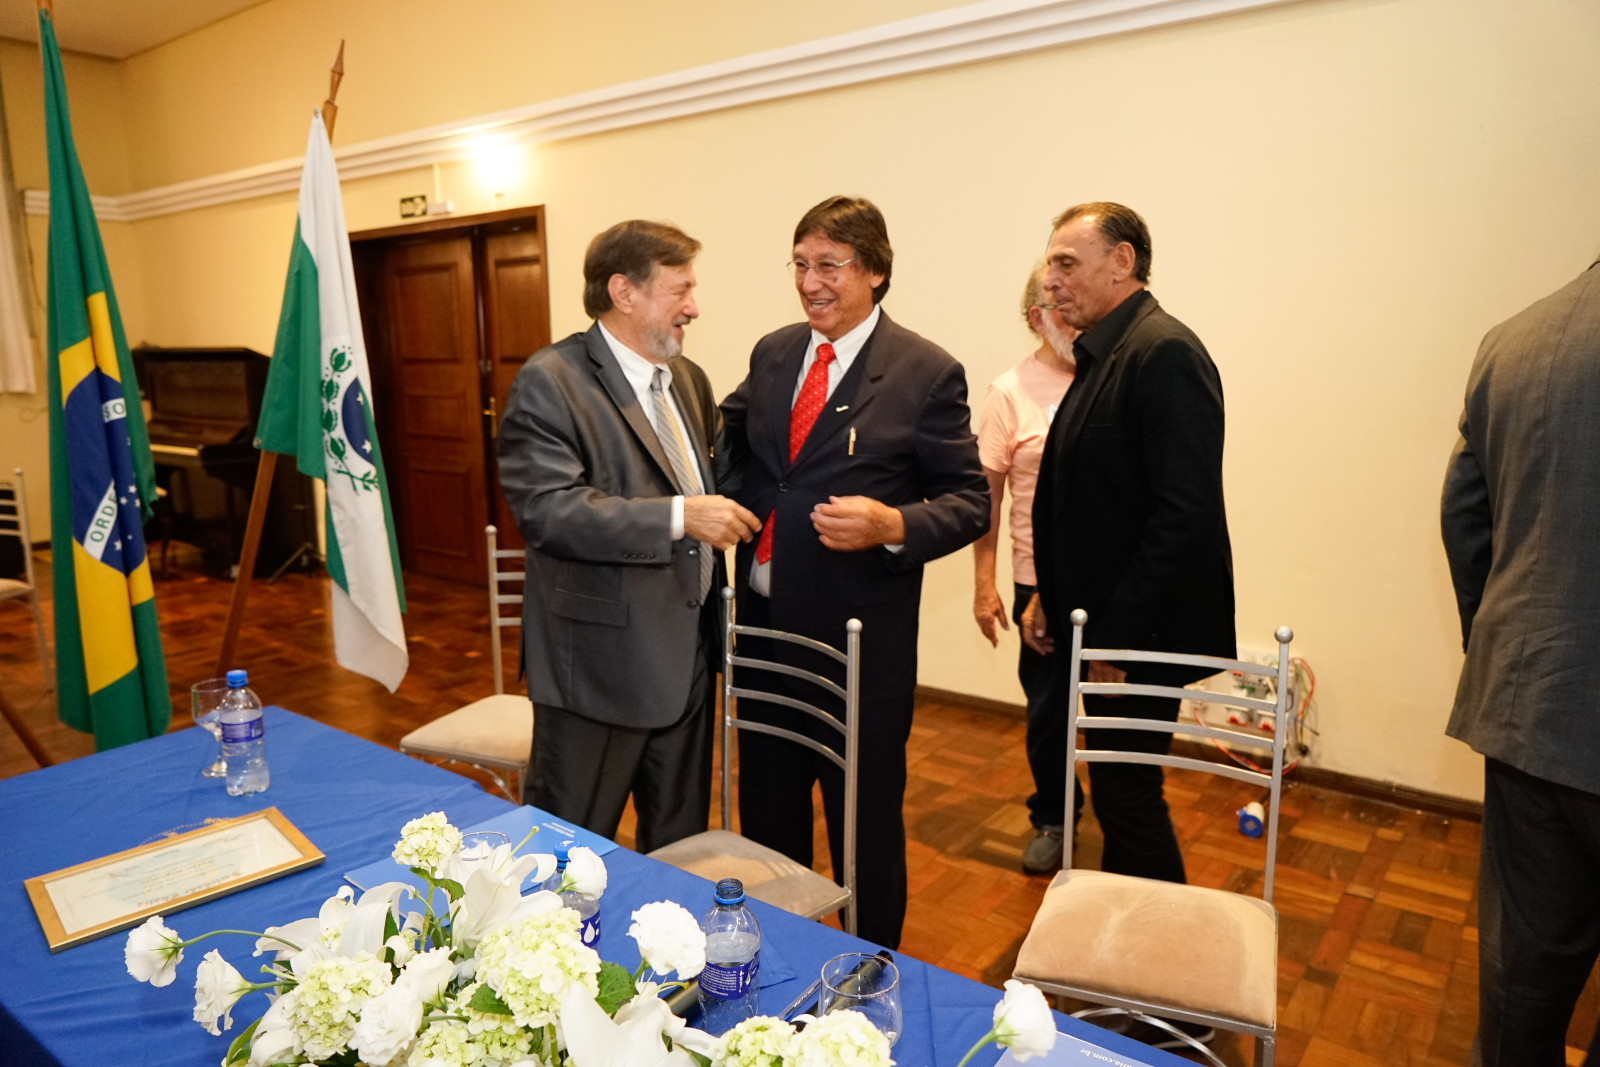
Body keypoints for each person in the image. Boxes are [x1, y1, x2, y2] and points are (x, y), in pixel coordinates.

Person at [720, 195, 989, 949]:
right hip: (764, 636)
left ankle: (867, 970)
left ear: (874, 271)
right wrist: (731, 505)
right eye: (800, 265)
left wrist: (893, 525)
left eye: (830, 266)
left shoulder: (925, 371)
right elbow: (732, 442)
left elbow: (971, 501)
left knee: (861, 826)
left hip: (857, 649)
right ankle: (779, 952)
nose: (811, 283)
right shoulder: (775, 352)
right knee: (768, 818)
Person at [497, 220, 761, 854]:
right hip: (597, 670)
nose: (693, 307)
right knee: (566, 858)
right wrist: (680, 517)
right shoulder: (551, 380)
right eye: (680, 290)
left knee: (677, 851)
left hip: (688, 659)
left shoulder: (688, 379)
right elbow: (548, 511)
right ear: (624, 292)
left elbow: (722, 477)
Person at [1023, 201, 1235, 885]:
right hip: (1104, 629)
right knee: (1120, 794)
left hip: (1133, 637)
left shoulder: (1162, 351)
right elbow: (1089, 503)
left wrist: (1116, 641)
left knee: (1128, 797)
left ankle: (1164, 942)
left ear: (1122, 261)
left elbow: (1184, 515)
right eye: (1050, 264)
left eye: (1066, 263)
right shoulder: (1106, 351)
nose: (1050, 280)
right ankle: (1124, 931)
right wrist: (1050, 595)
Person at [1441, 259, 1600, 1067]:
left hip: (1528, 710)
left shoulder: (1516, 339)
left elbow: (1464, 516)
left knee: (1518, 993)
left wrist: (1508, 650)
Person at [971, 264, 1078, 875]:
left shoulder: (1111, 377)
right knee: (1048, 710)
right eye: (1061, 307)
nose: (1077, 318)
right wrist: (984, 586)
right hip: (1035, 579)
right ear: (1037, 318)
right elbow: (985, 501)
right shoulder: (1010, 393)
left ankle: (1122, 815)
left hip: (1110, 578)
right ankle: (1056, 818)